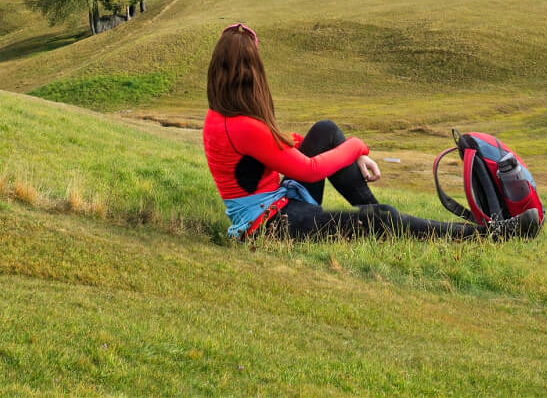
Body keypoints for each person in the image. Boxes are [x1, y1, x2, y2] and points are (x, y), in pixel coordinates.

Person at [203, 22, 483, 242]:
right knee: (378, 218)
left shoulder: (222, 116)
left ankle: (389, 224)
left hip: (278, 205)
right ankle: (483, 235)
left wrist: (344, 147)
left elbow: (278, 145)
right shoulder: (244, 127)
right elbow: (310, 170)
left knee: (325, 131)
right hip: (271, 227)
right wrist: (357, 146)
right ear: (253, 73)